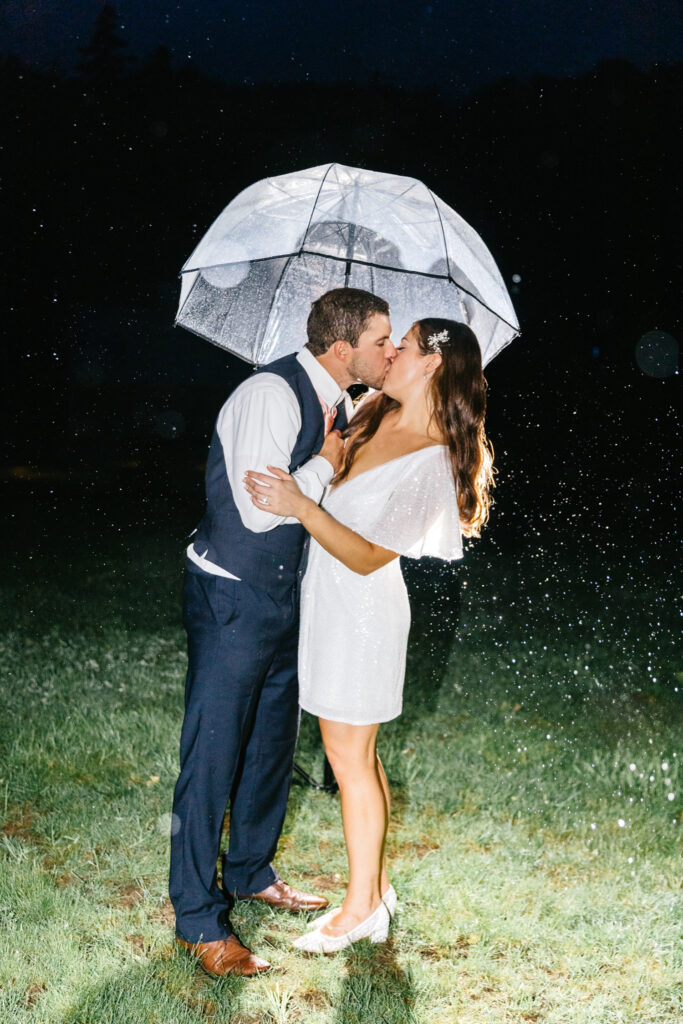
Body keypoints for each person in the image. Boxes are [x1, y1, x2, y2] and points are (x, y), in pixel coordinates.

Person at [244, 318, 494, 953]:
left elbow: (366, 556)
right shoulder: (373, 413)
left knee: (347, 760)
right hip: (327, 605)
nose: (390, 357)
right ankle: (376, 891)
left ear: (433, 364)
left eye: (401, 348)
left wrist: (301, 508)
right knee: (357, 755)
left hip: (363, 615)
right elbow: (324, 477)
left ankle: (359, 911)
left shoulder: (434, 460)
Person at [170, 287, 396, 977]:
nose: (390, 351)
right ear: (341, 348)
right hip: (233, 597)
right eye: (381, 341)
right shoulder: (268, 394)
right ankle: (197, 919)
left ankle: (249, 871)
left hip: (290, 598)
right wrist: (327, 459)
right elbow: (261, 510)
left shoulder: (346, 405)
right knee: (213, 755)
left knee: (272, 744)